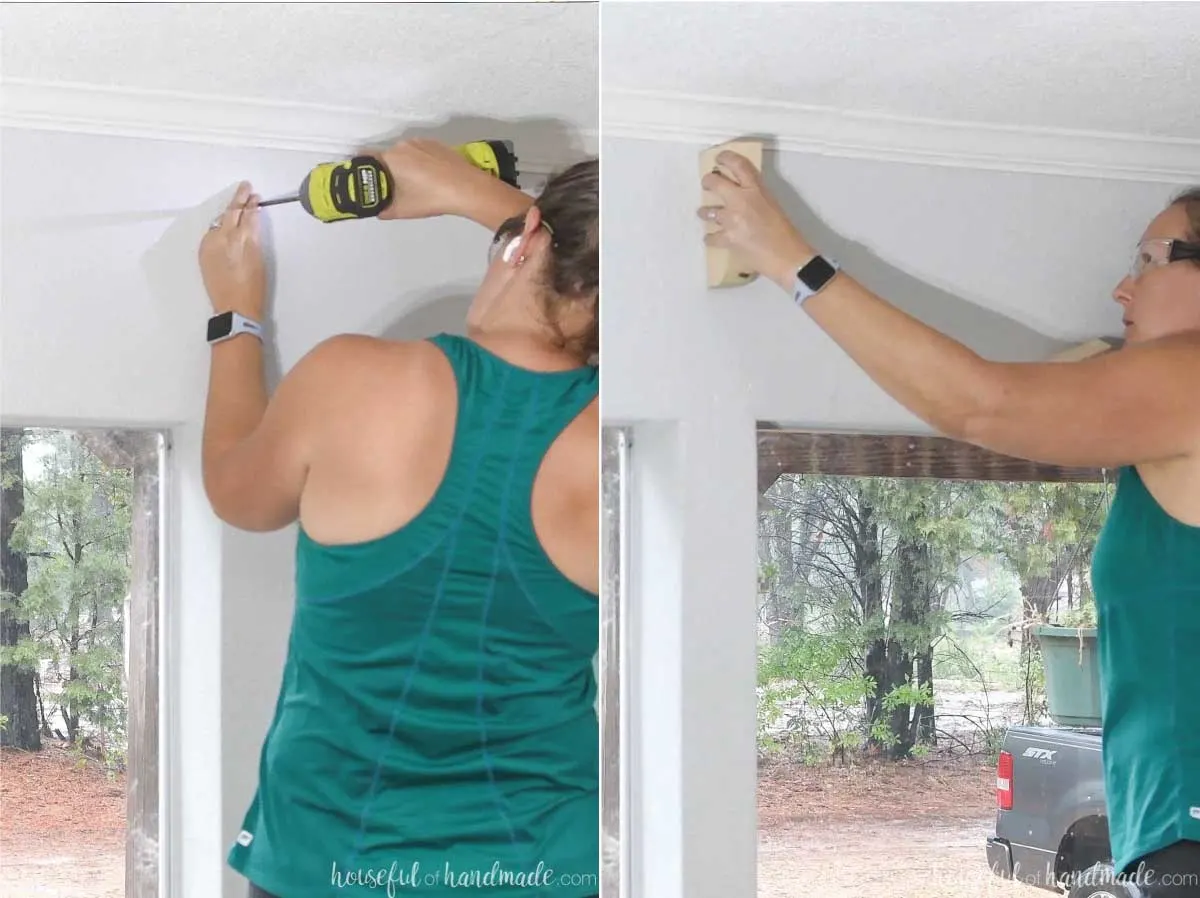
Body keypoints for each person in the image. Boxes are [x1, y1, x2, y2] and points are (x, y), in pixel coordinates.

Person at [698, 154, 1200, 895]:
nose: (1121, 287)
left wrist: (787, 259)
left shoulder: (1187, 382)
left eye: (1151, 262)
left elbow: (978, 404)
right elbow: (997, 404)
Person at [198, 139, 600, 898]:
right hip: (550, 867)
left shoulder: (355, 379)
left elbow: (237, 492)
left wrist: (234, 315)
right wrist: (484, 200)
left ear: (528, 242)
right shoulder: (620, 447)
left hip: (330, 860)